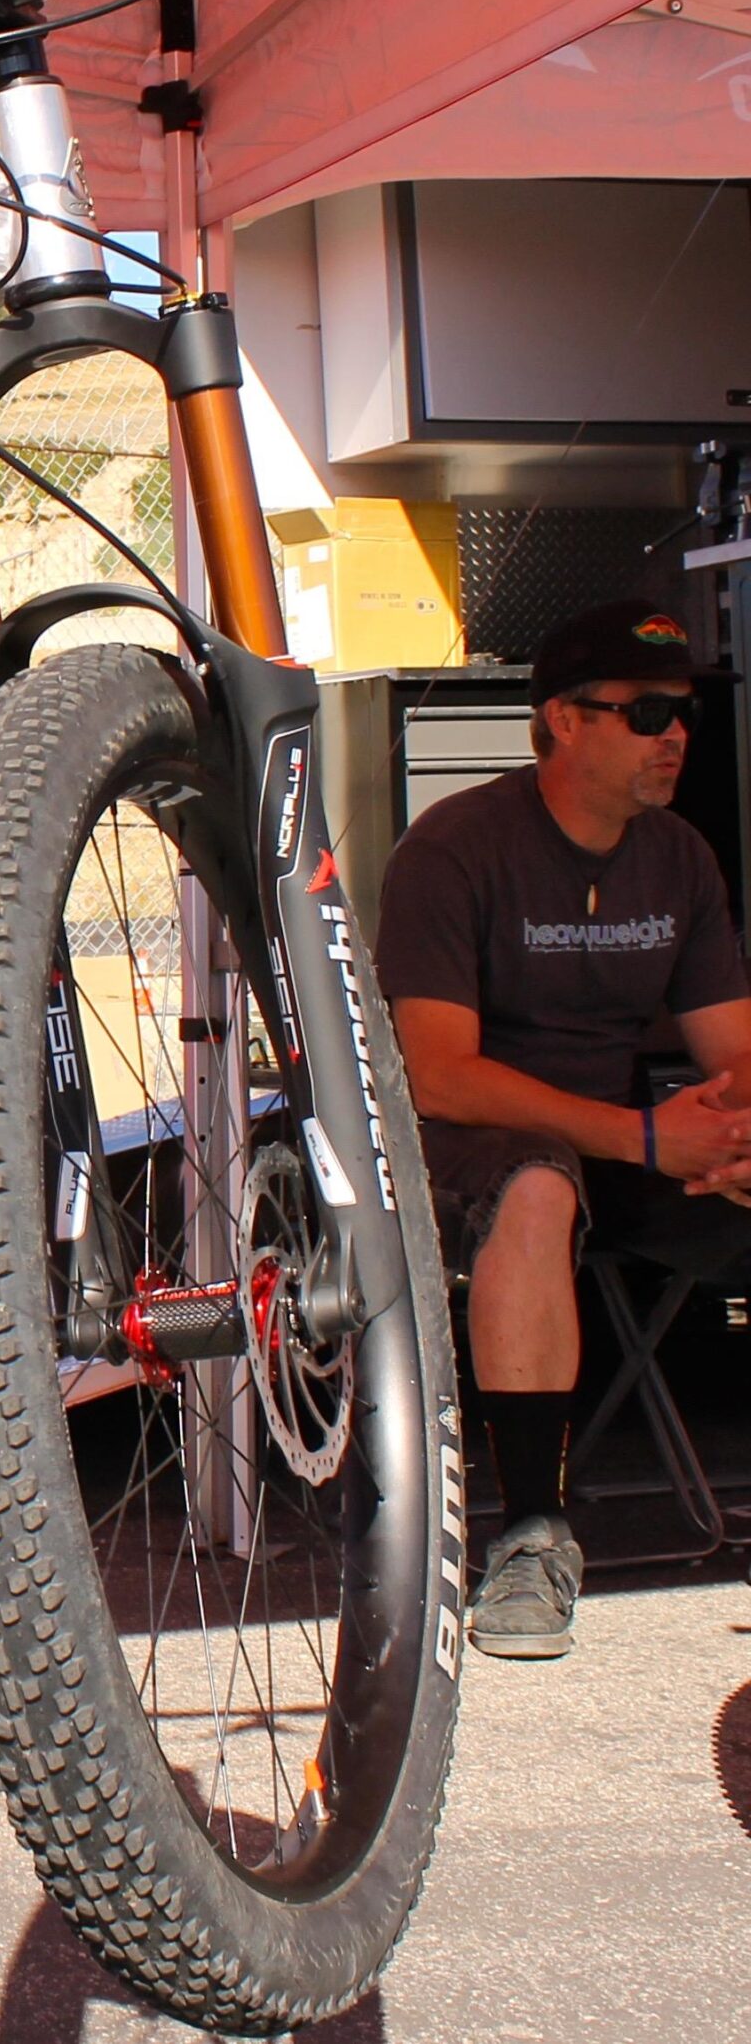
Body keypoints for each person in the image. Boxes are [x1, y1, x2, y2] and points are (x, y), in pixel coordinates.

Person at [376, 598, 751, 1661]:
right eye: (642, 712)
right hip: (467, 1147)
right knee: (537, 1184)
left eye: (681, 710)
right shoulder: (454, 848)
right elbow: (442, 1078)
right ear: (561, 722)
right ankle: (532, 1537)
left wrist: (733, 1134)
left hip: (625, 1141)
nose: (673, 732)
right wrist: (641, 1138)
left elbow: (734, 1045)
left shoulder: (677, 856)